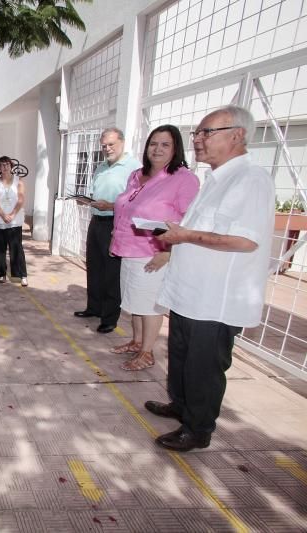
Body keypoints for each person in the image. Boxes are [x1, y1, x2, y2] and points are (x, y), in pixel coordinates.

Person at [144, 106, 274, 452]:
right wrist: (177, 237)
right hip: (191, 293)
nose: (198, 140)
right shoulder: (214, 178)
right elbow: (201, 230)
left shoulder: (250, 179)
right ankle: (182, 406)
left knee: (204, 368)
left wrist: (185, 237)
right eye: (197, 134)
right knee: (183, 357)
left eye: (207, 133)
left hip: (216, 299)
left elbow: (246, 241)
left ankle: (198, 429)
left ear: (238, 135)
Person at [108, 125, 199, 371]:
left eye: (165, 144)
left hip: (154, 253)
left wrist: (169, 252)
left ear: (176, 148)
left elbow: (190, 220)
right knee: (133, 301)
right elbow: (124, 210)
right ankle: (137, 342)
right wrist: (114, 237)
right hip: (127, 248)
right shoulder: (137, 174)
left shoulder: (183, 179)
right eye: (153, 143)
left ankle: (147, 352)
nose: (157, 149)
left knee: (149, 305)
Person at [73, 128, 140, 334]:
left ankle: (109, 317)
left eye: (111, 144)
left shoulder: (134, 168)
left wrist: (111, 206)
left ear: (122, 142)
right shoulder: (101, 166)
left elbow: (135, 201)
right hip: (97, 221)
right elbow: (96, 192)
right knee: (94, 266)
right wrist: (88, 201)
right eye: (103, 146)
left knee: (112, 272)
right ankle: (94, 307)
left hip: (116, 223)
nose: (107, 149)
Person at [0, 156, 28, 286]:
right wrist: (3, 215)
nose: (5, 167)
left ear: (11, 166)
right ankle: (1, 274)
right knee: (0, 249)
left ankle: (20, 275)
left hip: (14, 219)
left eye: (7, 164)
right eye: (2, 165)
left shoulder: (19, 181)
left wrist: (12, 214)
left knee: (16, 247)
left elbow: (21, 200)